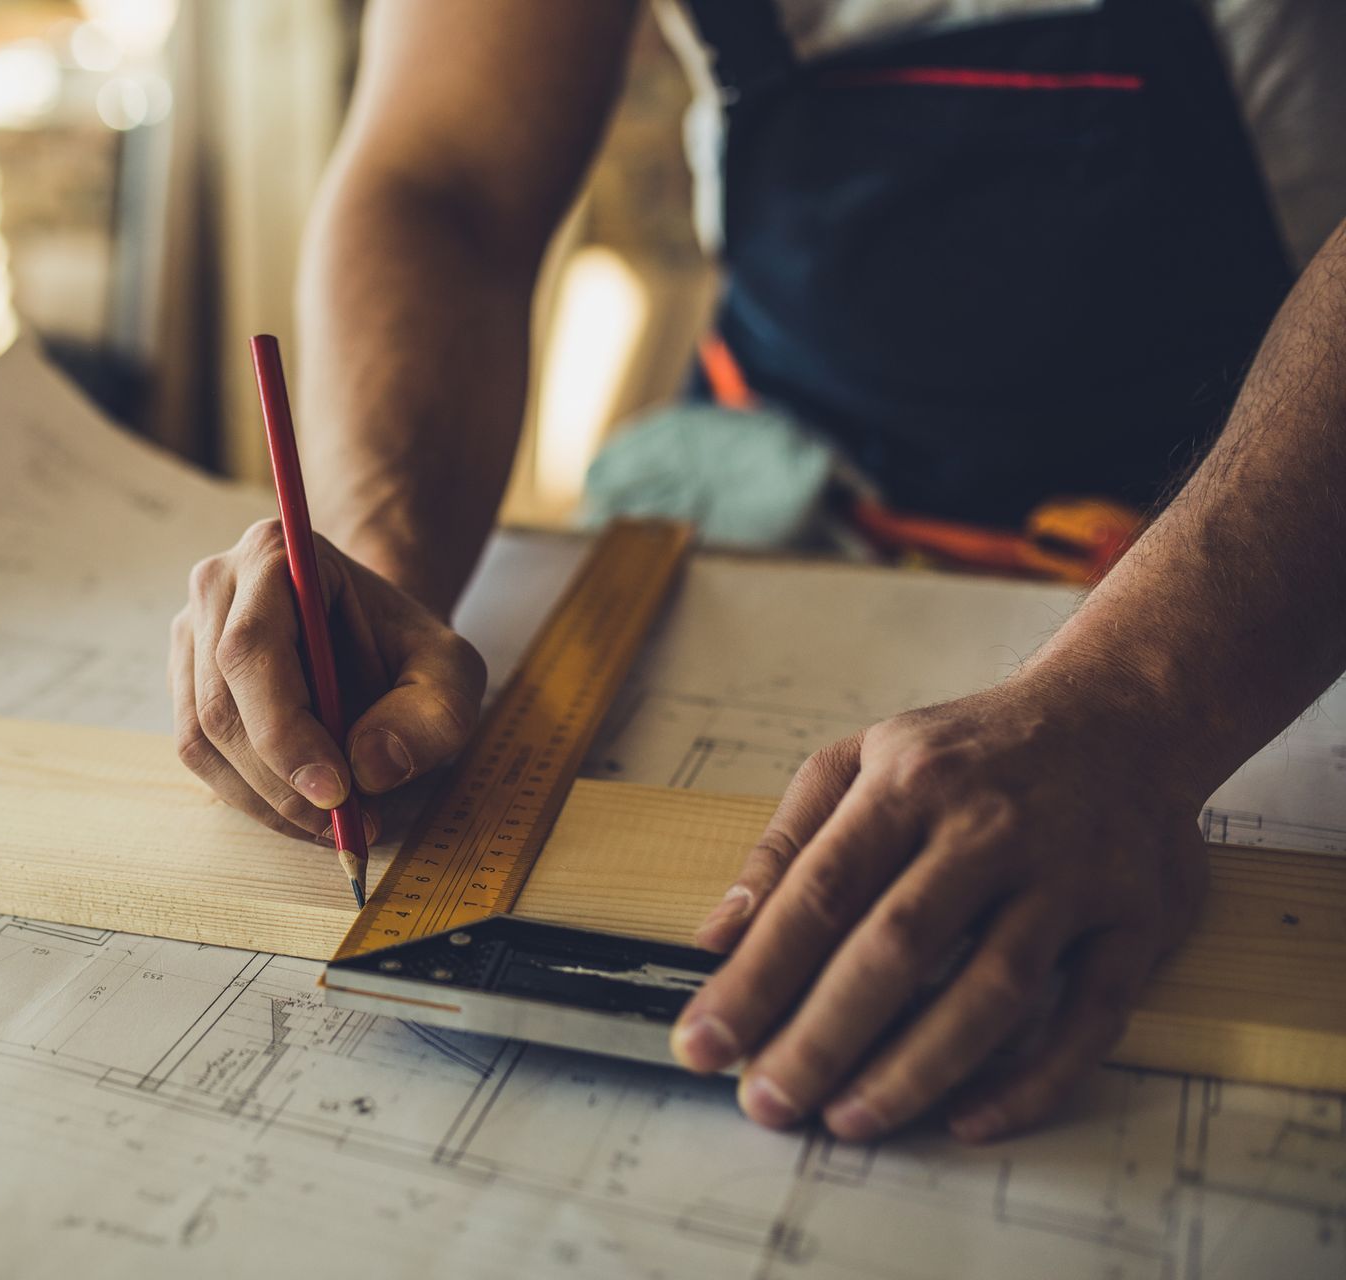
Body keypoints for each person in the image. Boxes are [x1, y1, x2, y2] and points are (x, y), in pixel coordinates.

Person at [170, 0, 1346, 1144]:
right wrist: (376, 575)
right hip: (790, 483)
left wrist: (1140, 695)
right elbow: (450, 180)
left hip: (1275, 537)